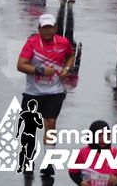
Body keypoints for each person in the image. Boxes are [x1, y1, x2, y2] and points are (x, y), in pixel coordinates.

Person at [16, 13, 74, 167]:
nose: (48, 31)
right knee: (30, 127)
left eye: (50, 27)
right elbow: (20, 65)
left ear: (55, 28)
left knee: (50, 123)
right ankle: (27, 158)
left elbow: (70, 56)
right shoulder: (32, 43)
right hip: (33, 92)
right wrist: (40, 70)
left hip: (54, 91)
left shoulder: (63, 43)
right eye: (44, 28)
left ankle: (48, 162)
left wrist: (67, 69)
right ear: (39, 29)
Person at [69, 119, 117, 186]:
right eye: (99, 135)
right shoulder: (80, 153)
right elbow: (72, 172)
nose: (103, 138)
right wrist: (80, 182)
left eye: (107, 134)